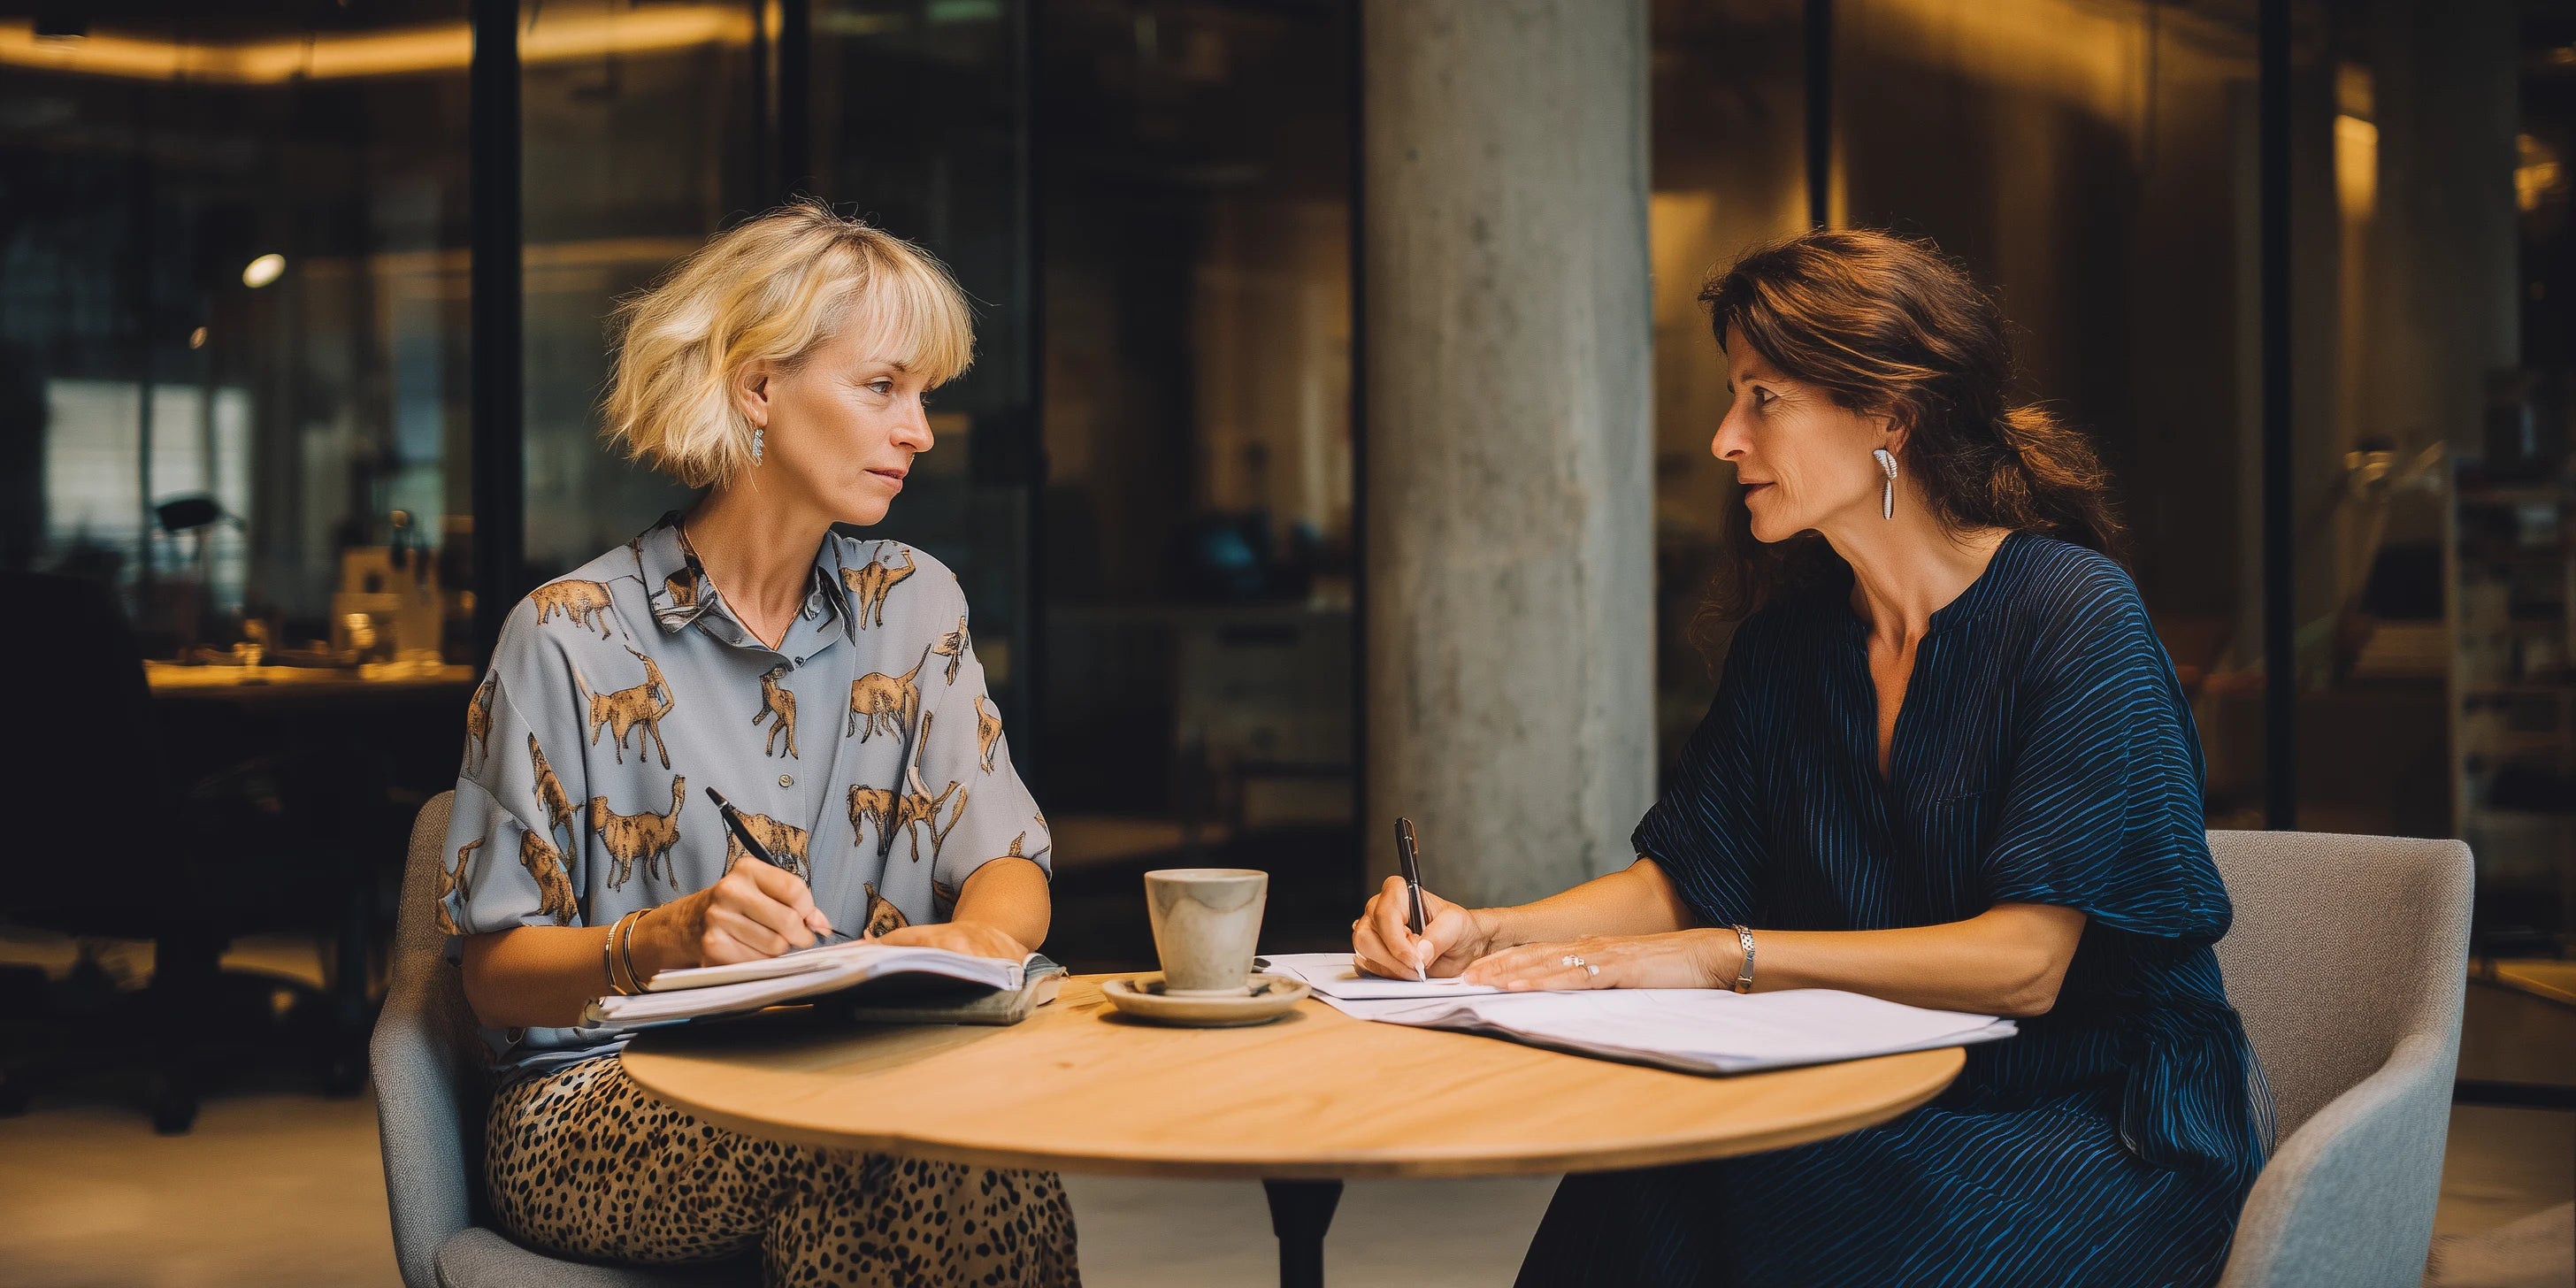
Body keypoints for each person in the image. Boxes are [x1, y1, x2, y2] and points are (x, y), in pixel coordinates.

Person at [1353, 228, 2270, 1287]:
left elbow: (2023, 964)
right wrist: (1484, 933)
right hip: (1877, 1092)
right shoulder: (1789, 646)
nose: (1722, 439)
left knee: (1803, 1236)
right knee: (1635, 1187)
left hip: (2100, 1125)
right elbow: (1682, 881)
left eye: (1762, 397)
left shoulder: (2071, 618)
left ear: (1889, 415)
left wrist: (1720, 955)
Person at [441, 201, 1077, 1286]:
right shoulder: (563, 635)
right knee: (884, 1137)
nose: (919, 430)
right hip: (602, 1101)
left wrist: (978, 941)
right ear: (756, 388)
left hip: (859, 1064)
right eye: (883, 387)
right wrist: (663, 936)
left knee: (965, 1133)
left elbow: (1008, 858)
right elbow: (492, 976)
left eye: (923, 395)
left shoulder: (916, 604)